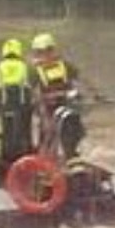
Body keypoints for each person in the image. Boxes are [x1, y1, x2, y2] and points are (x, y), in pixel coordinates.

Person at [30, 32, 86, 160]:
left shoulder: (65, 66)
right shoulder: (34, 72)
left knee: (73, 135)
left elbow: (82, 80)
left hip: (68, 108)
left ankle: (71, 159)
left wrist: (97, 95)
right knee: (47, 139)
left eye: (48, 51)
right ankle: (44, 162)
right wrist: (45, 119)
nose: (46, 56)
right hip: (48, 110)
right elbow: (36, 96)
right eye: (41, 52)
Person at [0, 38, 34, 166]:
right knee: (24, 135)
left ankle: (1, 161)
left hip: (3, 109)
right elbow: (33, 89)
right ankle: (25, 159)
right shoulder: (26, 68)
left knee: (2, 136)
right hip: (22, 110)